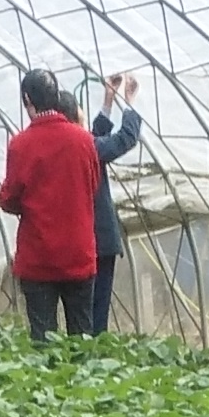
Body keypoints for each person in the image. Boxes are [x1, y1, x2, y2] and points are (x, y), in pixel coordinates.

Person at [0, 67, 101, 342]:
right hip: (79, 254)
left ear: (28, 99)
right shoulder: (84, 141)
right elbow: (93, 185)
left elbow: (9, 199)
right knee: (82, 338)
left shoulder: (21, 145)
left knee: (43, 340)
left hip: (39, 257)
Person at [85, 71, 143, 337]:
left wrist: (109, 100)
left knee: (85, 311)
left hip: (86, 243)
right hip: (98, 242)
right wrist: (129, 104)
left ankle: (83, 354)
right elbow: (124, 140)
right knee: (96, 313)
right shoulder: (87, 148)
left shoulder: (79, 149)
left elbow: (97, 138)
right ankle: (91, 355)